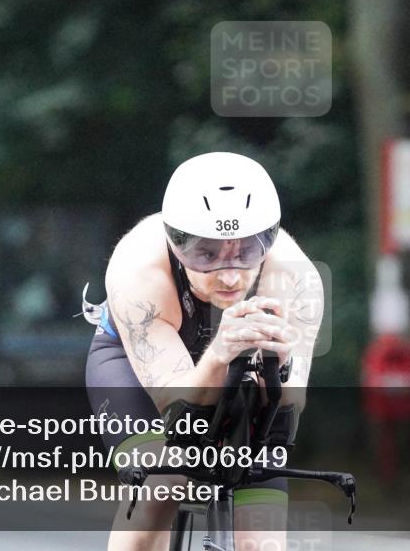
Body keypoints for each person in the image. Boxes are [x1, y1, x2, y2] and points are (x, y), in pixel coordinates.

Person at [85, 151, 323, 551]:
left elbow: (286, 417)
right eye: (207, 254)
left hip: (242, 369)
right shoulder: (139, 269)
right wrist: (217, 355)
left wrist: (277, 373)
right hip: (134, 366)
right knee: (163, 484)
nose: (230, 275)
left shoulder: (295, 279)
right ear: (177, 244)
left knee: (261, 542)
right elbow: (175, 407)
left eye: (246, 251)